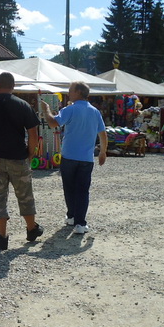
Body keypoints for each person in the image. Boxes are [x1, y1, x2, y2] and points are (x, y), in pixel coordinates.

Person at [0, 72, 43, 250]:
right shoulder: (23, 105)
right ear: (13, 86)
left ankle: (2, 237)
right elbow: (33, 133)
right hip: (18, 156)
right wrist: (31, 153)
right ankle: (31, 229)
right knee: (25, 195)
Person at [41, 81, 107, 235]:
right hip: (86, 157)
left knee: (69, 188)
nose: (68, 93)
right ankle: (80, 223)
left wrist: (46, 110)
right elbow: (102, 133)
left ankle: (71, 216)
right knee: (83, 191)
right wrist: (103, 152)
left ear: (78, 92)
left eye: (71, 90)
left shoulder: (69, 109)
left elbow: (52, 123)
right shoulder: (95, 112)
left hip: (69, 155)